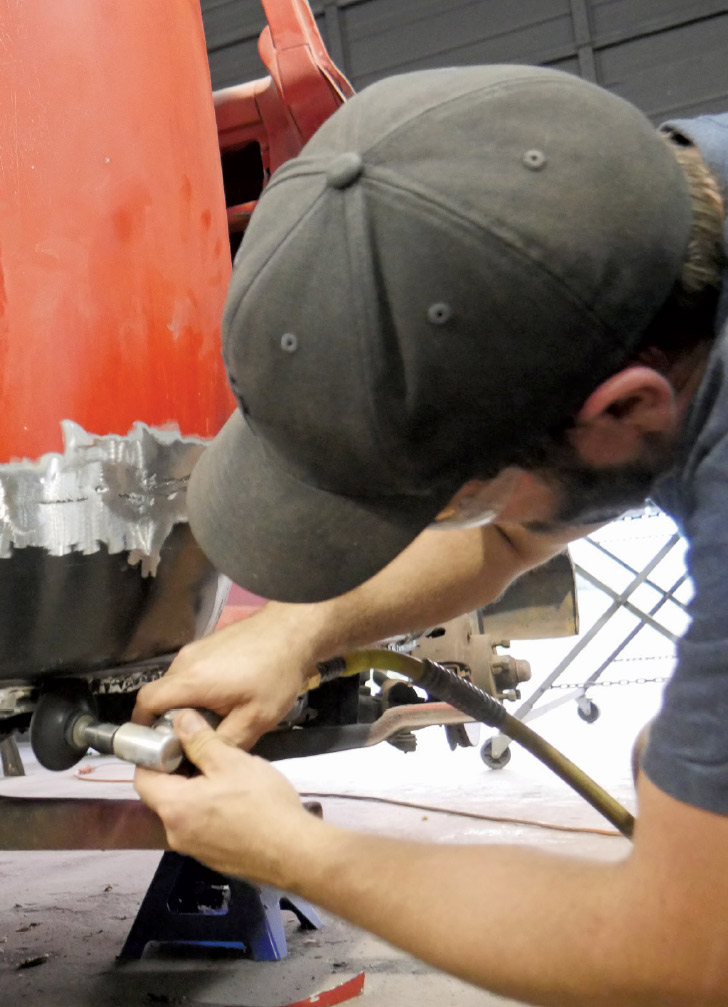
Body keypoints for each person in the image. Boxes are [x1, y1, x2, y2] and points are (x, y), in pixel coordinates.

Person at [131, 65, 728, 1004]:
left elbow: (680, 955)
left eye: (449, 496)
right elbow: (510, 538)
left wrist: (296, 849)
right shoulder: (625, 229)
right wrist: (298, 631)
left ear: (626, 408)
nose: (458, 518)